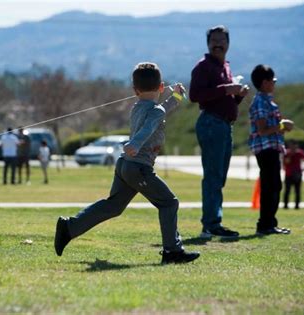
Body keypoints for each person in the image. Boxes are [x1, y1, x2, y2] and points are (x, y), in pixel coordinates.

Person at [54, 62, 200, 264]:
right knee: (169, 203)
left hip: (125, 166)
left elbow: (159, 113)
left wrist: (175, 97)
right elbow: (149, 127)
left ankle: (69, 227)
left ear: (134, 90)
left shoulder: (137, 107)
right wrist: (135, 144)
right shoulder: (155, 111)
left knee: (113, 206)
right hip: (138, 168)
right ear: (161, 86)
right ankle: (172, 251)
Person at [189, 25, 249, 239]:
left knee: (219, 177)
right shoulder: (203, 67)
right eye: (214, 40)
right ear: (208, 43)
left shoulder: (225, 66)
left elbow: (225, 98)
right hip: (211, 123)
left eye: (222, 40)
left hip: (224, 125)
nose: (218, 44)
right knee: (213, 176)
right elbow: (195, 95)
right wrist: (226, 89)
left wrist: (238, 95)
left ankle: (214, 222)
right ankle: (211, 224)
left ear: (228, 43)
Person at [249, 64, 293, 235]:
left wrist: (281, 126)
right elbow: (262, 129)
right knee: (270, 186)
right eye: (273, 80)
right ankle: (265, 225)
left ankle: (269, 223)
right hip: (265, 149)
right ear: (265, 82)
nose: (274, 83)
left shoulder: (267, 101)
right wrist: (282, 125)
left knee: (275, 185)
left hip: (272, 148)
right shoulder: (261, 102)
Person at [283, 140, 304, 209]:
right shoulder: (287, 152)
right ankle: (285, 205)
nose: (292, 147)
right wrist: (290, 155)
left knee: (297, 191)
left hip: (297, 174)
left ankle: (297, 206)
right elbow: (285, 162)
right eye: (290, 145)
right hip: (288, 174)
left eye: (293, 145)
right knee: (287, 190)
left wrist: (302, 170)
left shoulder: (300, 152)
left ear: (296, 145)